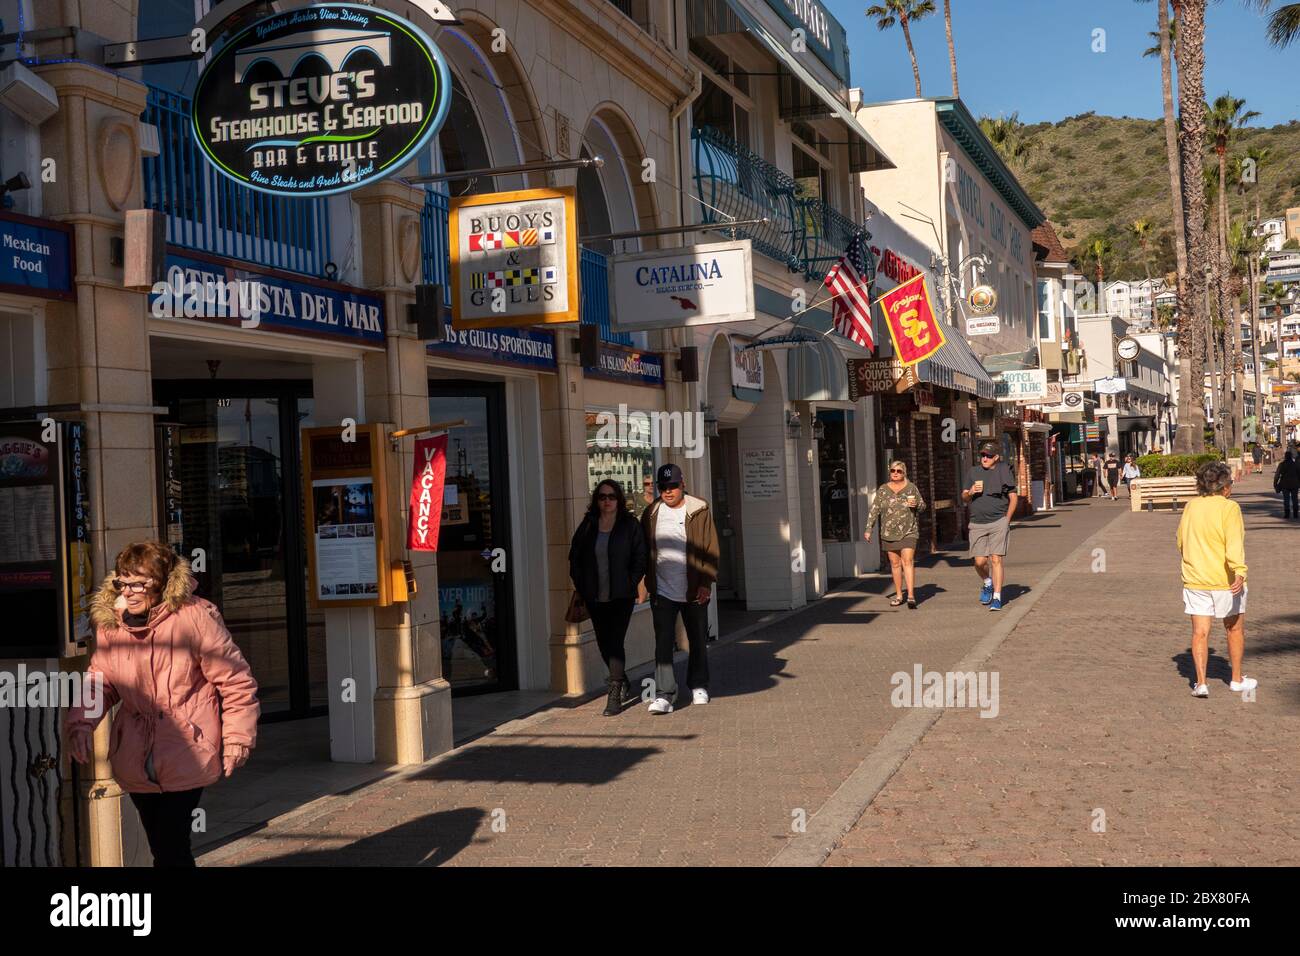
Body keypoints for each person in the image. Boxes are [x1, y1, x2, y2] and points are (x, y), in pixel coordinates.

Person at [64, 541, 259, 866]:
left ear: (163, 582)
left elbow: (236, 681)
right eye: (124, 582)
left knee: (171, 847)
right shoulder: (112, 624)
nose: (131, 591)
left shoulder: (194, 617)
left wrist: (237, 739)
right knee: (162, 848)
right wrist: (81, 723)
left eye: (140, 583)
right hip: (136, 752)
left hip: (187, 746)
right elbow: (101, 681)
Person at [640, 463, 720, 714]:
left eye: (673, 486)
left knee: (696, 638)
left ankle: (698, 685)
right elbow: (645, 550)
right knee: (663, 642)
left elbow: (710, 548)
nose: (668, 491)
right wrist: (644, 583)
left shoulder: (699, 509)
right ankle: (664, 693)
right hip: (662, 589)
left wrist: (706, 583)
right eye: (663, 487)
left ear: (682, 484)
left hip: (694, 588)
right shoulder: (651, 512)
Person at [1177, 461, 1255, 698]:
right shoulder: (1229, 508)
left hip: (1195, 579)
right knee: (1234, 629)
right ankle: (1236, 679)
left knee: (1200, 632)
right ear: (1224, 487)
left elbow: (1180, 540)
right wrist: (1240, 571)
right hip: (1225, 580)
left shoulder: (1191, 506)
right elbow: (1233, 543)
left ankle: (1200, 683)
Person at [569, 479, 647, 716]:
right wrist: (582, 585)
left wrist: (630, 583)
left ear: (619, 499)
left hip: (620, 596)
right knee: (604, 642)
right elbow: (575, 557)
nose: (607, 501)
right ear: (596, 500)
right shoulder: (589, 524)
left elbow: (640, 557)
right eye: (602, 497)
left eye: (612, 497)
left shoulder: (629, 525)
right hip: (594, 595)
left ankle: (614, 693)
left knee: (614, 643)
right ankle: (621, 678)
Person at [961, 442, 1019, 612]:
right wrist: (970, 492)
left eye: (988, 456)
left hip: (998, 522)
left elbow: (1013, 497)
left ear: (996, 457)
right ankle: (987, 582)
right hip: (977, 523)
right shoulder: (973, 472)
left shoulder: (1003, 471)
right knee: (979, 561)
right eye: (982, 455)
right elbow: (964, 497)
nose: (984, 458)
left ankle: (997, 597)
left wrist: (1006, 520)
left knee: (996, 559)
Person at [864, 460, 926, 608]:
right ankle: (899, 595)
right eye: (893, 471)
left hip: (909, 531)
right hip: (888, 532)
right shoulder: (883, 490)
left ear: (904, 473)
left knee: (908, 561)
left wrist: (916, 505)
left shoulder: (911, 488)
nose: (895, 473)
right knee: (895, 564)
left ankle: (910, 596)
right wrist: (868, 528)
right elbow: (875, 510)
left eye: (899, 471)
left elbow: (923, 506)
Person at [1273, 449, 1300, 518]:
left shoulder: (1282, 464)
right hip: (1295, 484)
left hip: (1285, 484)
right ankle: (1295, 513)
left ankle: (1287, 514)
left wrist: (1275, 484)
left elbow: (1277, 475)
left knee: (1286, 499)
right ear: (1291, 457)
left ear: (1285, 457)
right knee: (1295, 499)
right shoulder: (1295, 464)